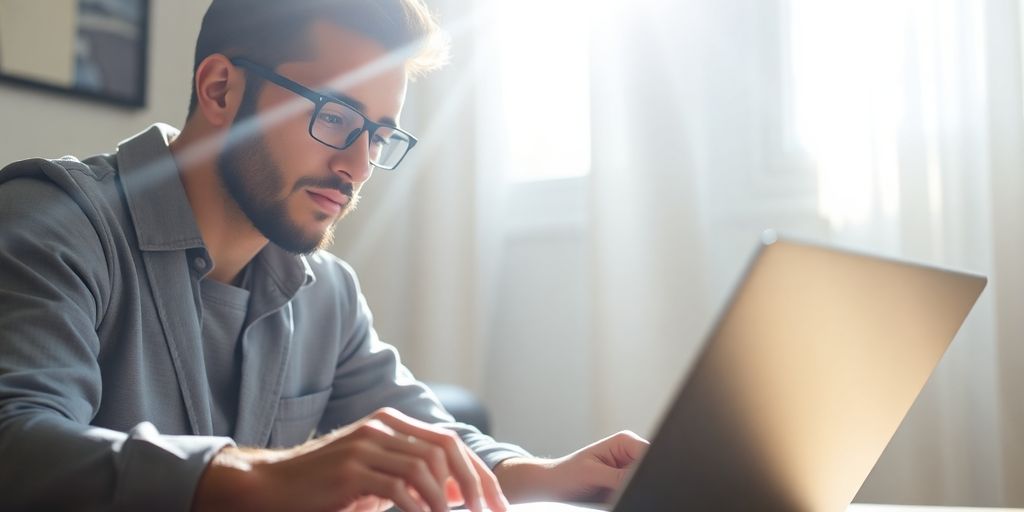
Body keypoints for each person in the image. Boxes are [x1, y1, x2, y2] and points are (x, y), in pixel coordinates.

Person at [0, 1, 648, 511]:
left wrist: (549, 476)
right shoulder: (50, 221)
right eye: (336, 115)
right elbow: (16, 442)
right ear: (221, 89)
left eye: (380, 134)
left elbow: (425, 433)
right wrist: (262, 481)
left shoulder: (326, 293)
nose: (359, 165)